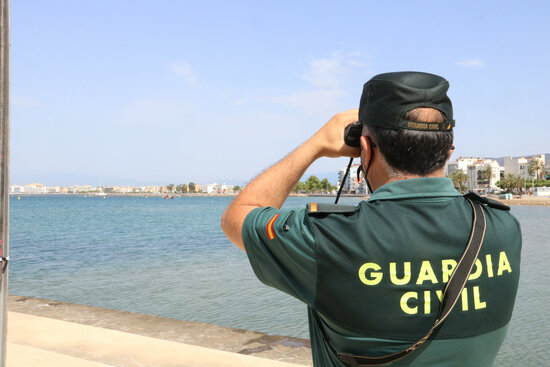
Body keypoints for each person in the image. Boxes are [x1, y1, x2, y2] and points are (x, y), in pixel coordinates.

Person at [221, 71, 521, 367]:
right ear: (449, 151)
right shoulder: (503, 228)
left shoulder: (330, 238)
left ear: (364, 148)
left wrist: (315, 146)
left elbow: (238, 215)